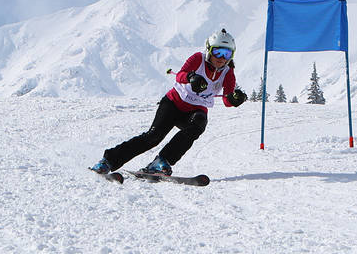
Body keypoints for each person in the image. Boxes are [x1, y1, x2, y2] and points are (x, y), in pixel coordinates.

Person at [92, 28, 248, 176]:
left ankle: (162, 161)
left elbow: (227, 99)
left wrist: (235, 99)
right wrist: (191, 77)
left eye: (227, 54)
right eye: (217, 52)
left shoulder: (228, 73)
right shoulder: (198, 59)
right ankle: (108, 161)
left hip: (195, 111)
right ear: (209, 50)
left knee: (198, 124)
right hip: (173, 104)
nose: (221, 58)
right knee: (153, 137)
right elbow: (180, 75)